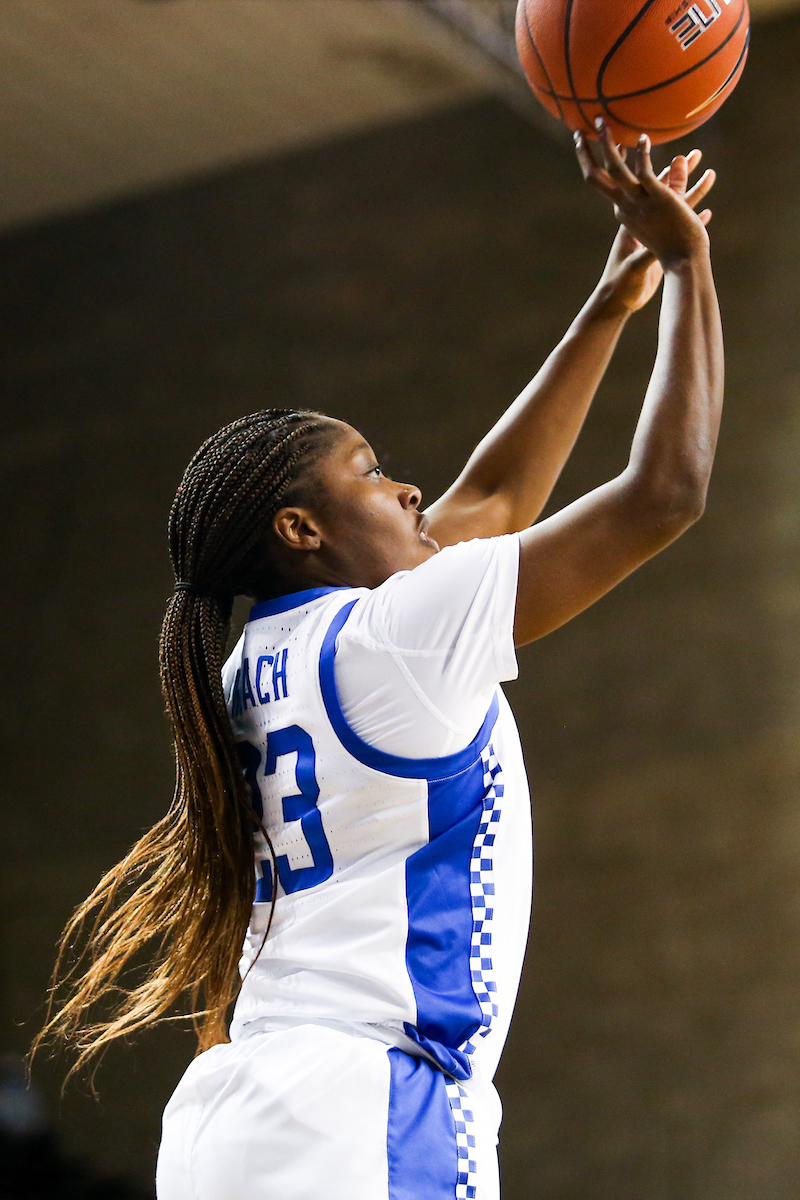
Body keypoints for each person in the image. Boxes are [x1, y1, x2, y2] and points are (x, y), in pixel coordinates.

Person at [36, 127, 723, 1200]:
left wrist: (607, 305)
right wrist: (688, 267)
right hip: (368, 1109)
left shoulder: (250, 665)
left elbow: (489, 502)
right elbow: (663, 494)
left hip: (230, 1116)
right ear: (302, 529)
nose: (409, 491)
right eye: (372, 472)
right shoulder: (397, 636)